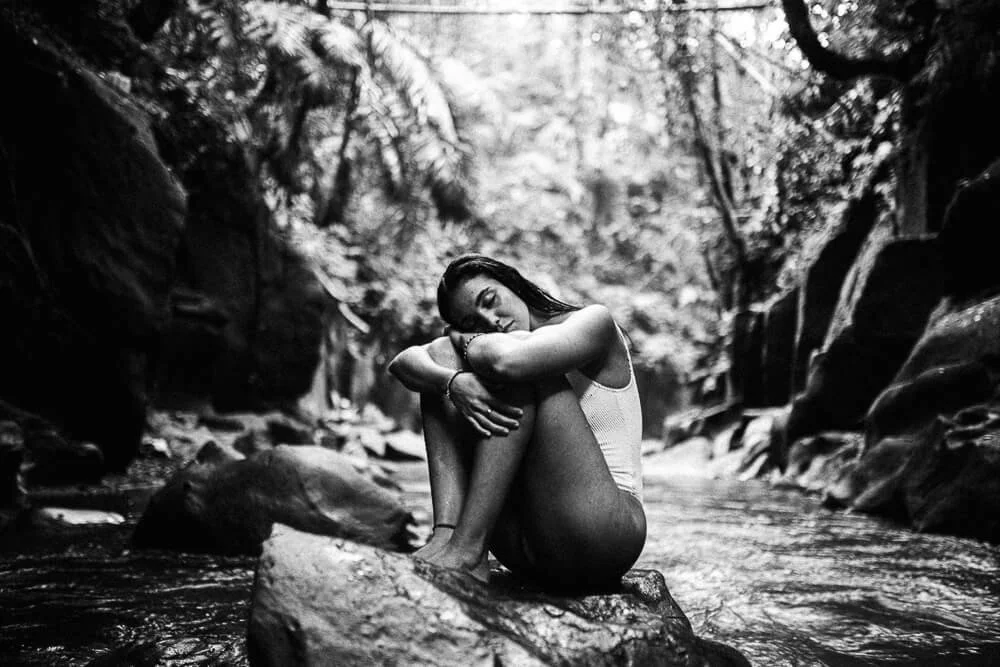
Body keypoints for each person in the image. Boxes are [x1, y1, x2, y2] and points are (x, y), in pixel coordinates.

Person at [387, 254, 646, 590]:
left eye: (490, 301)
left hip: (603, 534)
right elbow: (403, 364)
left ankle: (467, 548)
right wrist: (450, 382)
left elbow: (510, 362)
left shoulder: (594, 321)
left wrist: (466, 339)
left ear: (512, 281)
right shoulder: (486, 343)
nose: (490, 320)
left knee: (520, 369)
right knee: (442, 359)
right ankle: (447, 536)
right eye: (472, 321)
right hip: (529, 545)